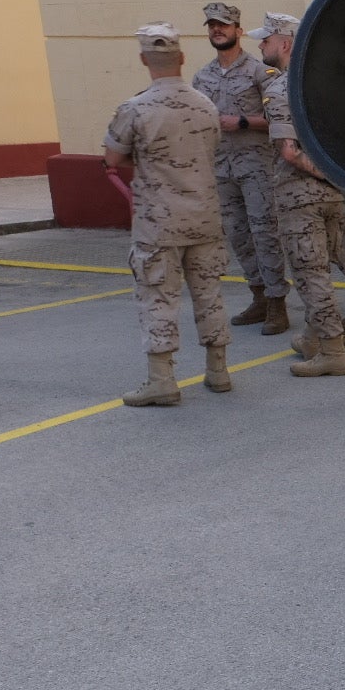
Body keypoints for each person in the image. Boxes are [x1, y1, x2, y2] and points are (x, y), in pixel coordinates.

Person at [246, 13, 345, 377]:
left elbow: (290, 152)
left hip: (301, 195)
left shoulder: (280, 89)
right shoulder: (331, 83)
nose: (260, 44)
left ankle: (331, 350)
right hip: (340, 193)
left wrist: (322, 175)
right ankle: (315, 336)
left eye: (266, 39)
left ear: (286, 43)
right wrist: (338, 179)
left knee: (311, 272)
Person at [102, 23, 233, 405]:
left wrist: (147, 159)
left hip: (159, 223)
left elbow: (111, 158)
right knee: (210, 295)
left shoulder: (135, 108)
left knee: (158, 298)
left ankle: (162, 380)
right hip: (205, 217)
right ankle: (219, 371)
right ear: (182, 59)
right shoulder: (207, 105)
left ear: (144, 59)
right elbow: (211, 150)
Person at [192, 2, 290, 335]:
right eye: (211, 26)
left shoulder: (260, 72)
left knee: (265, 232)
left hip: (257, 166)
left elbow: (281, 119)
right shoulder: (202, 76)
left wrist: (244, 121)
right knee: (237, 234)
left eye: (223, 25)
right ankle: (259, 296)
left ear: (238, 30)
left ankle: (278, 301)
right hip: (221, 168)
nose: (217, 30)